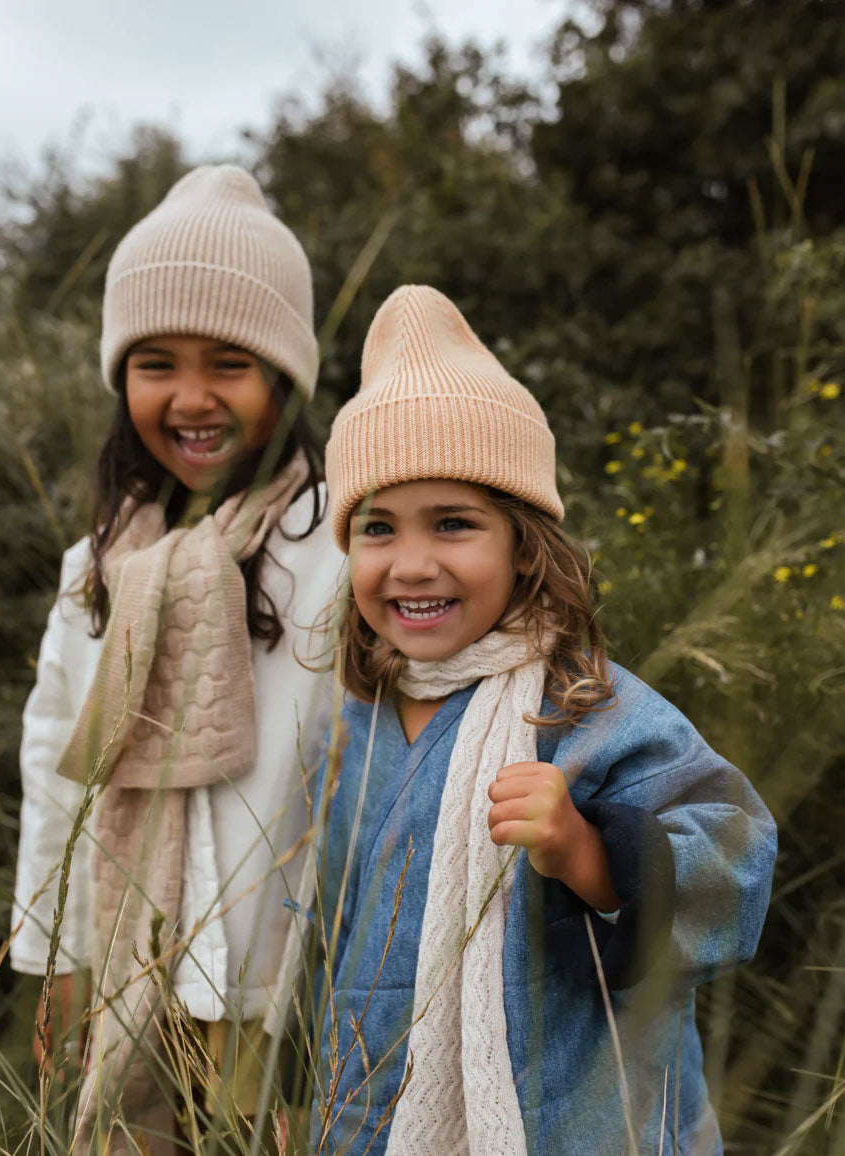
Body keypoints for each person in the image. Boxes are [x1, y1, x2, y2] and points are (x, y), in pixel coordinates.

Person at [309, 284, 777, 1155]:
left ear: (525, 546)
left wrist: (589, 853)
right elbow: (324, 937)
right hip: (377, 1117)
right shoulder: (349, 726)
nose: (411, 564)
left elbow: (737, 865)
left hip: (582, 1121)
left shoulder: (591, 709)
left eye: (453, 524)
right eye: (377, 528)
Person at [9, 165, 341, 1152]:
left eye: (228, 363)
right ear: (121, 378)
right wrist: (54, 953)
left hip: (282, 984)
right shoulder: (99, 568)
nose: (191, 397)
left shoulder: (344, 545)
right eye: (156, 363)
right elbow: (53, 772)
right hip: (131, 972)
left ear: (286, 375)